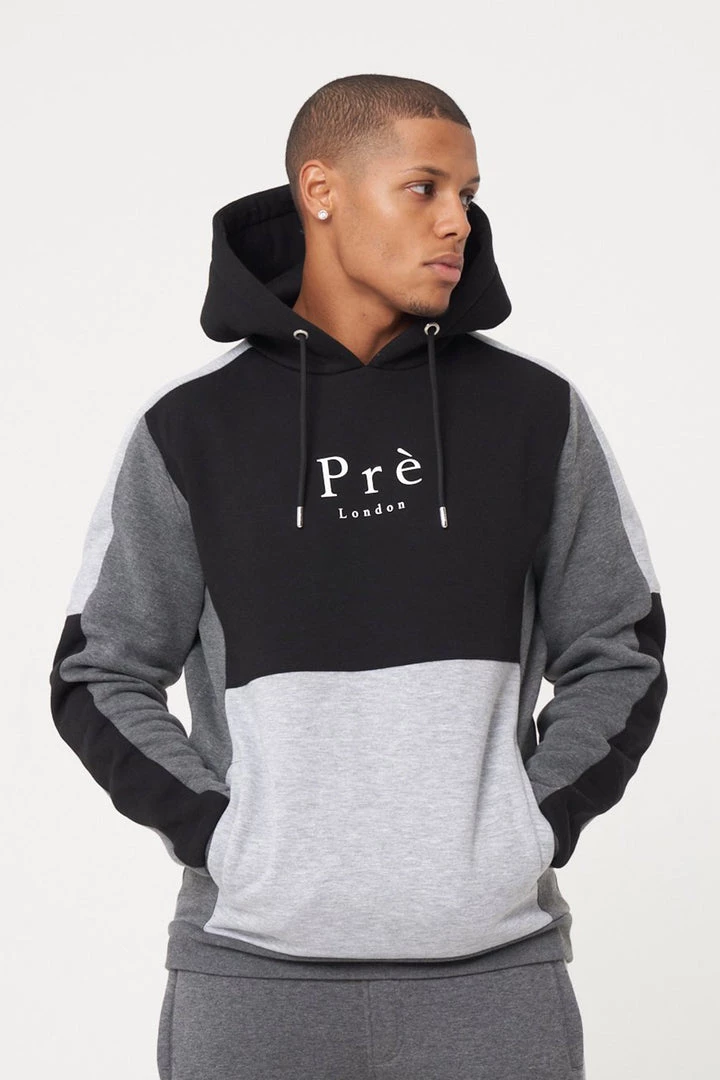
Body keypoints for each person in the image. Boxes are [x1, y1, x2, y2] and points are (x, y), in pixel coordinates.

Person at [49, 73, 668, 1080]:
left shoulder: (535, 412)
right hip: (252, 982)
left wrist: (533, 823)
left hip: (494, 982)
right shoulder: (192, 430)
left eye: (468, 194)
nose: (458, 221)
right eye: (424, 188)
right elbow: (98, 670)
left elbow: (619, 648)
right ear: (321, 190)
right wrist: (220, 833)